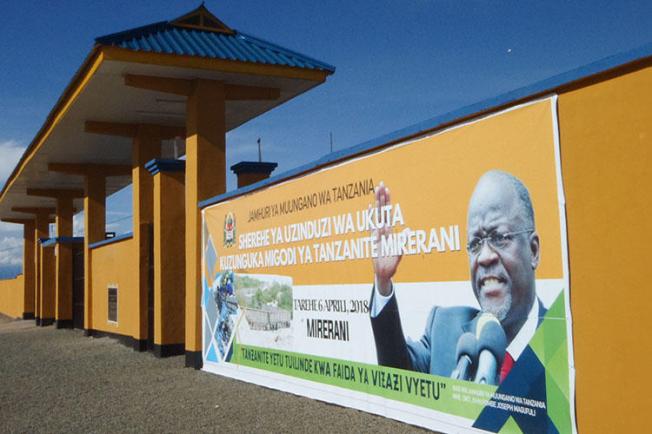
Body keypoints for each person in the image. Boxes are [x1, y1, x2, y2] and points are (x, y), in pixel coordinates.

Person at [370, 170, 546, 383]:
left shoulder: (561, 344)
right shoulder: (444, 329)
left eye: (500, 237)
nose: (485, 256)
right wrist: (382, 283)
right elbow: (397, 377)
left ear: (533, 251)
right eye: (475, 243)